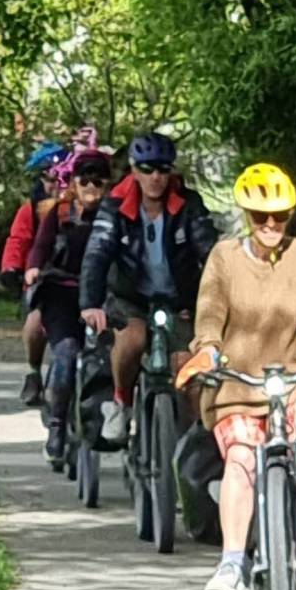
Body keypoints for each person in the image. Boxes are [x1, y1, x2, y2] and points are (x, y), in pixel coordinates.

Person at [172, 163, 296, 590]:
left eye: (278, 216)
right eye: (260, 216)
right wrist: (205, 349)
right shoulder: (224, 258)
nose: (270, 225)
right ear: (245, 214)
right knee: (242, 460)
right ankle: (231, 563)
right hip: (238, 385)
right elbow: (209, 313)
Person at [78, 131, 218, 443]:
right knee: (132, 340)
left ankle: (198, 443)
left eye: (163, 169)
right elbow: (97, 253)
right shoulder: (114, 205)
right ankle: (120, 403)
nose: (155, 177)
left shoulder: (189, 204)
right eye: (147, 168)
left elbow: (210, 252)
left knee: (189, 366)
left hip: (179, 299)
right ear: (133, 169)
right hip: (131, 297)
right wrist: (90, 303)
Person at [23, 148, 114, 462]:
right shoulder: (59, 213)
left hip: (104, 297)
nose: (91, 184)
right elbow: (40, 247)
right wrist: (33, 269)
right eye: (83, 177)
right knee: (65, 354)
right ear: (73, 181)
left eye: (98, 178)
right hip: (62, 292)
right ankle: (58, 427)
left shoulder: (116, 215)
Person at [2, 141, 69, 405]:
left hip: (77, 278)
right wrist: (12, 267)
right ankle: (33, 371)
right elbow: (18, 240)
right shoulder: (31, 209)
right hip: (43, 279)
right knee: (34, 327)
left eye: (60, 178)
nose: (54, 185)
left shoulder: (78, 207)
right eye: (48, 178)